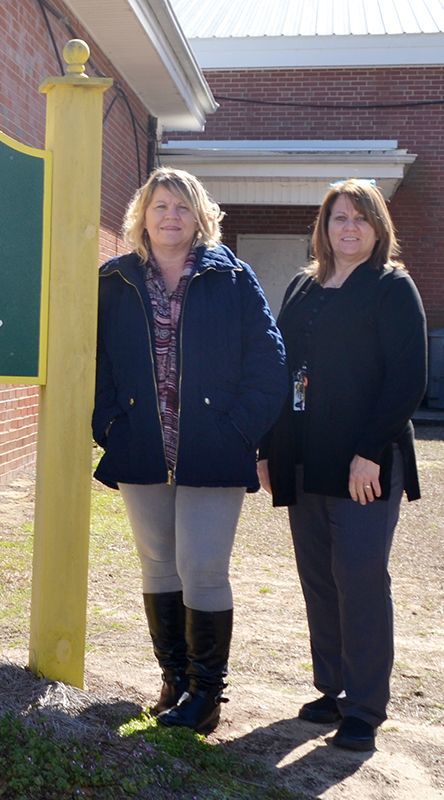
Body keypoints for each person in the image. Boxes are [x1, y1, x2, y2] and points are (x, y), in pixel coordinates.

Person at [93, 167, 287, 734]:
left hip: (212, 449)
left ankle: (206, 696)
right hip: (143, 448)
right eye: (159, 207)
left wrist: (238, 431)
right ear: (142, 217)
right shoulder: (115, 280)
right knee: (157, 564)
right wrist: (112, 425)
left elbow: (269, 363)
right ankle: (174, 680)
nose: (170, 216)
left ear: (199, 216)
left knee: (202, 567)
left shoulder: (232, 277)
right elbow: (94, 361)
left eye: (181, 206)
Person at [257, 180, 426, 752]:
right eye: (338, 218)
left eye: (360, 218)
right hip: (305, 458)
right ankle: (330, 688)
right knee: (319, 579)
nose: (348, 228)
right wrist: (268, 450)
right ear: (323, 227)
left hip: (365, 464)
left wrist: (370, 452)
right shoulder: (304, 284)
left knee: (359, 578)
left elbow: (408, 379)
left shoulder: (391, 287)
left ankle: (365, 707)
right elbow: (282, 369)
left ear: (378, 228)